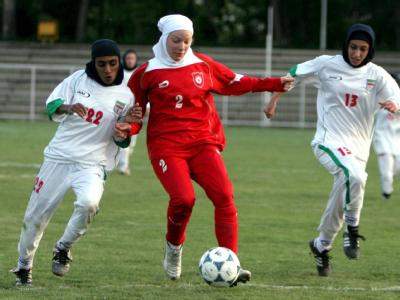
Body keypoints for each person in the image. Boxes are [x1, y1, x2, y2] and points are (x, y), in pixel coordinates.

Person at [118, 14, 293, 285]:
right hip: (167, 147)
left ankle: (231, 263)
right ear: (165, 39)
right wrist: (127, 130)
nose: (181, 47)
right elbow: (135, 118)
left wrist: (273, 84)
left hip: (202, 142)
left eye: (186, 41)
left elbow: (236, 82)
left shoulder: (202, 64)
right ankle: (173, 250)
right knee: (184, 200)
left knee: (224, 195)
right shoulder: (145, 74)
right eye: (176, 41)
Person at [264, 24, 400, 276]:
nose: (356, 53)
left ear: (369, 51)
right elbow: (294, 73)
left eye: (362, 49)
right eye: (353, 47)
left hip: (358, 149)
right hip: (328, 141)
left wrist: (394, 104)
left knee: (343, 190)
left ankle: (321, 245)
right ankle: (352, 230)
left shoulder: (377, 74)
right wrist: (274, 99)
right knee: (355, 177)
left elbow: (397, 96)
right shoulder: (327, 64)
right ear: (346, 45)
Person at [11, 39, 135, 286]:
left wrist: (124, 132)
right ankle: (24, 266)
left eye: (112, 63)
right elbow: (51, 106)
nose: (108, 70)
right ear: (94, 64)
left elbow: (122, 140)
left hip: (93, 163)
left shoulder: (128, 93)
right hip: (59, 158)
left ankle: (63, 247)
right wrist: (68, 107)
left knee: (89, 203)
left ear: (118, 62)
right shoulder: (77, 80)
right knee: (35, 218)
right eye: (102, 64)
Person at [117, 49, 139, 175]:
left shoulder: (139, 73)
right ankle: (123, 167)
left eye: (132, 58)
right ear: (124, 59)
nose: (130, 60)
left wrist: (146, 106)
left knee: (131, 144)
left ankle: (121, 161)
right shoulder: (120, 73)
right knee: (126, 137)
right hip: (122, 109)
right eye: (128, 58)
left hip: (135, 110)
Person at [372, 102, 400, 199]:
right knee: (387, 171)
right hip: (382, 139)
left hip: (397, 140)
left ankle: (388, 184)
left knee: (396, 168)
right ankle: (386, 193)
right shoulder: (382, 101)